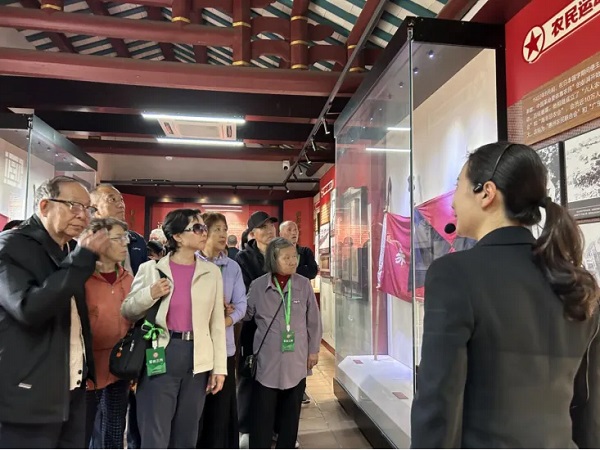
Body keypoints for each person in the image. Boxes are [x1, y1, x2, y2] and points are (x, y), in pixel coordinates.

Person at [410, 142, 600, 448]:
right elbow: (588, 406)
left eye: (458, 186)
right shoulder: (579, 285)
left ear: (486, 193)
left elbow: (438, 402)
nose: (454, 201)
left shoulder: (454, 275)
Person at [0, 176, 110, 448]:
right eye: (74, 206)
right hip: (27, 393)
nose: (83, 216)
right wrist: (82, 260)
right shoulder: (11, 246)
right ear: (45, 206)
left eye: (88, 208)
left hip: (70, 386)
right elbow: (28, 309)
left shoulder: (69, 249)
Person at [121, 209, 227, 449]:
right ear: (177, 236)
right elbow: (128, 310)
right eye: (197, 228)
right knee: (155, 432)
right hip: (160, 352)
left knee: (186, 434)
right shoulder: (151, 269)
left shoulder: (211, 272)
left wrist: (219, 368)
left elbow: (216, 324)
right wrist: (150, 294)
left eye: (204, 228)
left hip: (197, 356)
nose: (204, 233)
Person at [246, 237, 322, 449]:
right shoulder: (258, 286)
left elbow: (314, 321)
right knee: (263, 414)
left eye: (294, 256)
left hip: (296, 360)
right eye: (286, 257)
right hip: (267, 360)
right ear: (273, 259)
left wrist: (313, 351)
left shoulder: (303, 284)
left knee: (291, 414)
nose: (292, 261)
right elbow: (246, 315)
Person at [90, 183, 148, 449]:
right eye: (112, 199)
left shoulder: (130, 268)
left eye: (121, 199)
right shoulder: (82, 269)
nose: (121, 203)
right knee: (89, 425)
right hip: (89, 364)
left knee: (116, 425)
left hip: (123, 357)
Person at [197, 213, 247, 449]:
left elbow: (241, 305)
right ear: (203, 232)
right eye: (217, 229)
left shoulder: (232, 267)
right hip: (195, 347)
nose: (223, 234)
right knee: (196, 408)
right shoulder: (192, 263)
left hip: (223, 347)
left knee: (220, 409)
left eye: (225, 229)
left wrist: (225, 321)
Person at [84, 218, 133, 449]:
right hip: (89, 368)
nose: (125, 244)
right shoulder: (82, 277)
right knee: (84, 428)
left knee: (115, 426)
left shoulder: (128, 278)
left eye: (126, 238)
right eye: (118, 238)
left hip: (120, 364)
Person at [234, 211, 277, 447]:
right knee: (249, 374)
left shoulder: (280, 253)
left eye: (271, 226)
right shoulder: (243, 258)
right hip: (253, 326)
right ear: (252, 233)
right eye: (263, 227)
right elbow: (247, 291)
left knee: (275, 377)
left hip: (279, 326)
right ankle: (245, 427)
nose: (270, 230)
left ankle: (274, 427)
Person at [278, 221, 319, 405]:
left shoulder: (305, 252)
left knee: (300, 351)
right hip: (279, 304)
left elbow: (312, 271)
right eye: (290, 230)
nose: (294, 232)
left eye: (296, 229)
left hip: (300, 300)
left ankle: (300, 390)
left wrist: (293, 271)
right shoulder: (275, 250)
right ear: (281, 233)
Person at [90, 184, 148, 276]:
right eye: (112, 200)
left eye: (121, 200)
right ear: (95, 208)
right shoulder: (85, 242)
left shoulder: (137, 240)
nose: (121, 205)